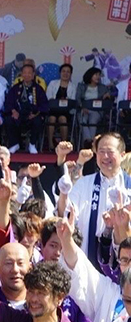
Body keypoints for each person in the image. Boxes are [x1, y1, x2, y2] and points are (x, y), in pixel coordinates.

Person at [64, 132, 131, 268]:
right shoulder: (84, 184)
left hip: (125, 260)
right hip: (89, 257)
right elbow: (66, 213)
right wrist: (63, 192)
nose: (105, 156)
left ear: (122, 155)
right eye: (101, 151)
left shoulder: (129, 185)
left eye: (110, 152)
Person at [3, 63, 47, 154]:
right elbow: (8, 102)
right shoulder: (15, 88)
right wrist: (13, 111)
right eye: (25, 73)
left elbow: (44, 105)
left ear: (33, 74)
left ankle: (32, 144)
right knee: (8, 120)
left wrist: (35, 114)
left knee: (38, 121)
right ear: (22, 74)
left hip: (32, 115)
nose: (27, 75)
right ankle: (14, 144)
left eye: (29, 73)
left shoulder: (38, 89)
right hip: (18, 114)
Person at [75, 67, 112, 142]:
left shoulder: (103, 87)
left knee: (93, 120)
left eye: (99, 75)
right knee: (83, 120)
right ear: (90, 75)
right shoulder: (81, 86)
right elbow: (77, 99)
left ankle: (89, 142)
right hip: (83, 109)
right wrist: (82, 107)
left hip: (97, 111)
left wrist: (108, 96)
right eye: (96, 75)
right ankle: (89, 141)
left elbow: (110, 98)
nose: (98, 77)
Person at [45, 63, 75, 149]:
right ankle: (50, 144)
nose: (65, 73)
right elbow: (48, 97)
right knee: (52, 118)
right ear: (60, 73)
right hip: (53, 109)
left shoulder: (73, 86)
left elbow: (72, 101)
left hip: (66, 111)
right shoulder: (53, 83)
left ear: (71, 74)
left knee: (63, 118)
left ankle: (63, 144)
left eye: (68, 72)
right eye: (63, 71)